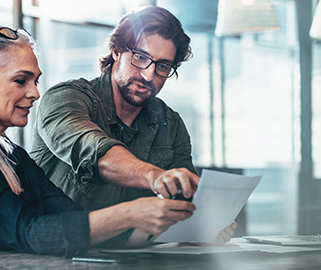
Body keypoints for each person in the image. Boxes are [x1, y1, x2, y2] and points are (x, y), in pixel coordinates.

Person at [0, 25, 203, 256]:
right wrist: (131, 212)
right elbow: (29, 233)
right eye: (21, 80)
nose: (35, 93)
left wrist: (165, 220)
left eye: (35, 81)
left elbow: (76, 221)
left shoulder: (13, 157)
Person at [30, 5, 237, 242]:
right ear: (117, 51)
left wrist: (205, 225)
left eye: (162, 66)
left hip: (132, 255)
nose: (149, 75)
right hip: (54, 254)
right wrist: (154, 175)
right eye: (140, 57)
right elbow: (97, 154)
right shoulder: (66, 98)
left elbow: (184, 202)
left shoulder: (171, 124)